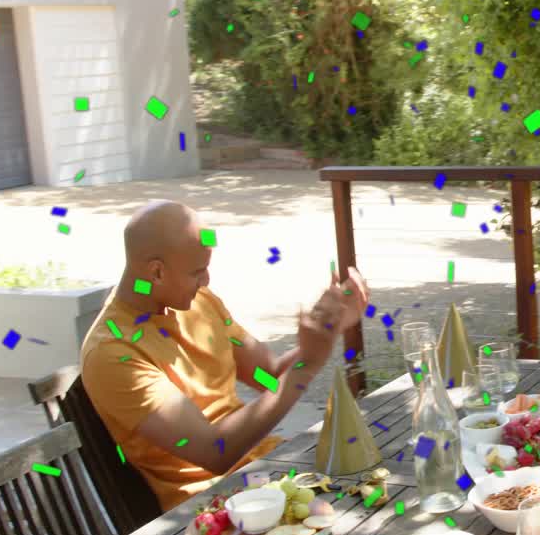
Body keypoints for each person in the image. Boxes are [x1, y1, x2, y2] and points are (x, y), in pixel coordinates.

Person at [80, 201, 369, 512]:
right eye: (197, 272)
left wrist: (325, 332)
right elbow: (214, 452)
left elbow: (268, 377)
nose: (206, 280)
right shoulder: (113, 353)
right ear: (157, 272)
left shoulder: (198, 302)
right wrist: (306, 366)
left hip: (266, 472)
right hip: (212, 507)